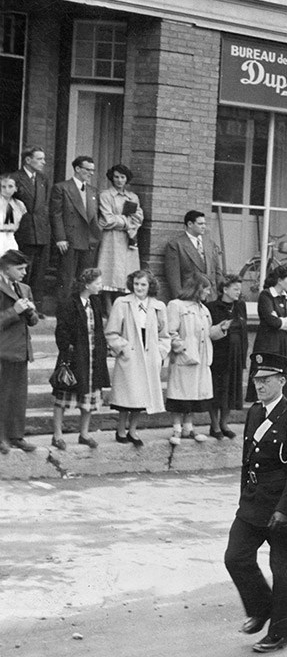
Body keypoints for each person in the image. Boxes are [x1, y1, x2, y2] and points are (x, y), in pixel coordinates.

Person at [224, 352, 287, 655]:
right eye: (256, 379)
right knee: (235, 556)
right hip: (254, 502)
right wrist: (243, 498)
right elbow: (247, 461)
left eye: (266, 380)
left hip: (286, 507)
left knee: (283, 570)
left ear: (282, 381)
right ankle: (261, 608)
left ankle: (279, 633)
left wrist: (284, 510)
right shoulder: (254, 412)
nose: (259, 385)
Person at [106, 269, 168, 448]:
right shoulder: (122, 302)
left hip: (149, 355)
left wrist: (160, 353)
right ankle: (120, 429)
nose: (139, 288)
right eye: (136, 284)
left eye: (143, 285)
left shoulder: (158, 306)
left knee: (142, 397)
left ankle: (133, 429)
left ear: (150, 286)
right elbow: (112, 331)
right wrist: (123, 348)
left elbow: (165, 335)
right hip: (131, 352)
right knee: (127, 396)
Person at [50, 268, 109, 450]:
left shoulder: (95, 303)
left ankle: (84, 433)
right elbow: (62, 331)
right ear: (87, 284)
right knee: (64, 396)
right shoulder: (69, 303)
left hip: (92, 356)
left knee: (89, 397)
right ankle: (57, 434)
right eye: (97, 283)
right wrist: (67, 352)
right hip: (74, 357)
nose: (100, 286)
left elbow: (98, 329)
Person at [166, 274, 222, 445]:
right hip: (184, 357)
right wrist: (180, 347)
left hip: (201, 358)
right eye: (206, 288)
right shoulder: (176, 305)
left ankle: (188, 427)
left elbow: (207, 333)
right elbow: (170, 331)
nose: (208, 292)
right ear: (197, 288)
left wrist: (221, 329)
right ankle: (176, 428)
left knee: (193, 394)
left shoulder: (203, 309)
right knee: (179, 393)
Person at [0, 250, 38, 453]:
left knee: (18, 396)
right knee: (2, 395)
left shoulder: (24, 288)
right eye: (20, 268)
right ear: (6, 268)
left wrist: (30, 311)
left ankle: (16, 436)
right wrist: (14, 311)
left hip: (21, 350)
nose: (24, 272)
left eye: (25, 268)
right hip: (3, 349)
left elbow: (33, 321)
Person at [51, 155, 103, 302]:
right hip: (69, 240)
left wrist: (96, 235)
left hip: (89, 241)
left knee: (85, 280)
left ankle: (80, 310)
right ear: (77, 169)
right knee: (66, 278)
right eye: (88, 169)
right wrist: (60, 238)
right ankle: (64, 313)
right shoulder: (62, 188)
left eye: (93, 170)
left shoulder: (93, 191)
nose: (91, 173)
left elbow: (95, 216)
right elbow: (56, 215)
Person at [10, 146, 52, 305]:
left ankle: (34, 306)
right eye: (40, 159)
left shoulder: (43, 179)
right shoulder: (14, 178)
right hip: (23, 231)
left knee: (39, 272)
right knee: (22, 271)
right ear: (28, 160)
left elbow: (45, 205)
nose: (44, 162)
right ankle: (20, 303)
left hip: (41, 232)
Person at [208, 275, 248, 439]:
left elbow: (244, 331)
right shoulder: (212, 307)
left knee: (231, 390)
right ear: (225, 290)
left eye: (240, 289)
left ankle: (225, 423)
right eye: (235, 289)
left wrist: (244, 355)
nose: (239, 292)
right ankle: (214, 424)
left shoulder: (240, 306)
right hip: (219, 354)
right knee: (217, 390)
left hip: (236, 353)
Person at [95, 164, 143, 298]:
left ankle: (121, 303)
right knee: (109, 270)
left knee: (126, 272)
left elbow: (139, 218)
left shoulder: (133, 197)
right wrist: (128, 222)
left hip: (129, 237)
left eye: (122, 177)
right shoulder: (106, 195)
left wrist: (124, 223)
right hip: (111, 237)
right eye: (116, 177)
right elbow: (107, 219)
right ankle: (107, 304)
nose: (119, 180)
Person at [248, 265, 287, 402]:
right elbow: (271, 320)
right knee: (266, 373)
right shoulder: (266, 295)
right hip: (268, 342)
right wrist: (283, 321)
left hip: (282, 341)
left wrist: (283, 320)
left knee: (281, 374)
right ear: (280, 280)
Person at [163, 209, 221, 301]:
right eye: (200, 224)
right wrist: (180, 300)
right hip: (189, 297)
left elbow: (217, 271)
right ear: (190, 224)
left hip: (211, 298)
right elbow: (174, 278)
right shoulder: (176, 245)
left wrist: (219, 295)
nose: (204, 227)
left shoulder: (210, 244)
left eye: (205, 224)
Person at [0, 176, 26, 255]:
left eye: (10, 186)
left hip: (11, 237)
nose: (7, 190)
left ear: (16, 188)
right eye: (3, 187)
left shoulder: (19, 204)